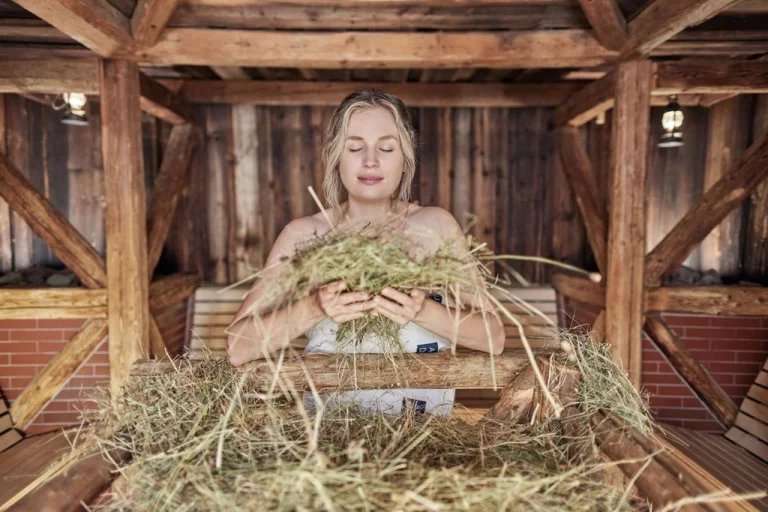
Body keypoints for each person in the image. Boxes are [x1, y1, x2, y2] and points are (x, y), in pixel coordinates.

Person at [226, 89, 505, 415]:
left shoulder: (435, 228)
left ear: (405, 159)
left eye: (386, 148)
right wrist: (315, 306)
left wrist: (421, 310)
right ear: (336, 156)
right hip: (330, 440)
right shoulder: (306, 236)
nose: (370, 160)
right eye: (355, 147)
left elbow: (494, 338)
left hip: (422, 441)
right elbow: (238, 346)